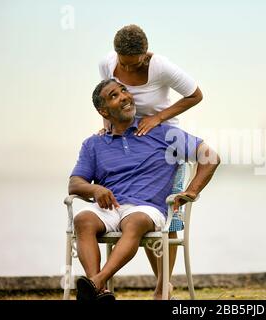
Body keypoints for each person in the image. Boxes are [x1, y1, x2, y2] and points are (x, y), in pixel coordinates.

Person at [69, 79, 219, 300]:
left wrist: (192, 191)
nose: (124, 96)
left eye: (124, 90)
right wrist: (96, 190)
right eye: (114, 96)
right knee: (83, 220)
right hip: (111, 208)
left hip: (148, 209)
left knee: (135, 221)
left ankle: (95, 283)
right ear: (103, 111)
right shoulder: (93, 144)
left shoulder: (163, 133)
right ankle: (99, 293)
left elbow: (211, 157)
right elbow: (74, 184)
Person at [98, 24, 203, 294]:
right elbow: (105, 96)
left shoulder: (161, 67)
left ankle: (162, 286)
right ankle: (160, 284)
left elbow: (195, 94)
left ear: (145, 55)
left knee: (164, 216)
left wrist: (157, 117)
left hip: (162, 141)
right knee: (139, 210)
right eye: (124, 63)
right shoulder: (107, 63)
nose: (129, 70)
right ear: (116, 54)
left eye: (135, 64)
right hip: (128, 140)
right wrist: (107, 125)